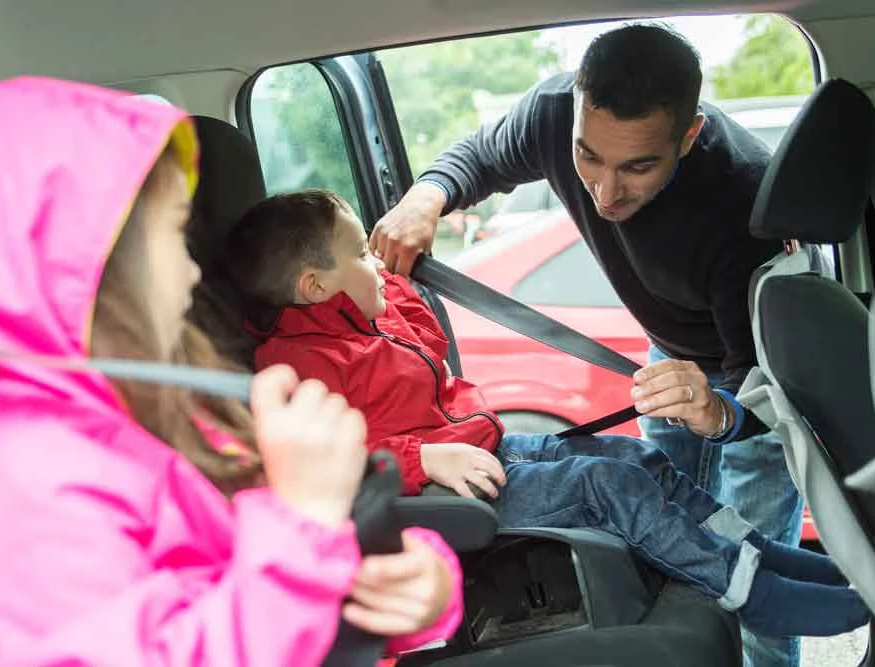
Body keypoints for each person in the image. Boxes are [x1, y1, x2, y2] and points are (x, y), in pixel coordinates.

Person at [221, 188, 869, 641]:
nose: (375, 263)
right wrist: (424, 457)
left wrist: (388, 281)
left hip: (486, 448)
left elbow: (428, 343)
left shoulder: (365, 319)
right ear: (314, 286)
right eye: (360, 254)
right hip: (442, 491)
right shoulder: (296, 364)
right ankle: (751, 591)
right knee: (604, 483)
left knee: (638, 456)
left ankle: (756, 551)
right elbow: (315, 460)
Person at [367, 23, 805, 665]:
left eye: (638, 167)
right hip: (666, 361)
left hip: (750, 379)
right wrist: (426, 197)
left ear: (689, 135)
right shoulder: (553, 114)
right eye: (588, 157)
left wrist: (720, 413)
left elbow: (761, 386)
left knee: (756, 582)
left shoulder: (743, 198)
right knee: (671, 548)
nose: (604, 191)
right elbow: (480, 157)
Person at [0, 76, 462, 666]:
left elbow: (278, 566)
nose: (195, 270)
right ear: (89, 261)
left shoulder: (172, 410)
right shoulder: (34, 488)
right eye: (176, 233)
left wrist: (420, 584)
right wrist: (304, 528)